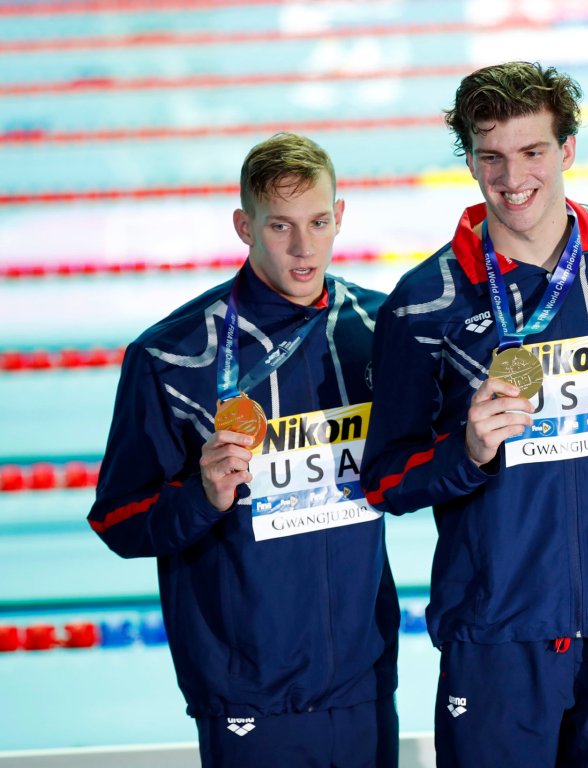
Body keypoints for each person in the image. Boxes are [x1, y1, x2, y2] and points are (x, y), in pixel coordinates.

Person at [361, 62, 588, 767]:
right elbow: (385, 479)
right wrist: (467, 451)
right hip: (497, 627)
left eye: (532, 151)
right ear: (471, 160)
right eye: (492, 156)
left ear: (566, 150)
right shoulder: (425, 304)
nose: (513, 178)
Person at [88, 133, 399, 767]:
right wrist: (201, 497)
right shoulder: (171, 359)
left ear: (341, 216)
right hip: (246, 691)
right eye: (279, 226)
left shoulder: (378, 331)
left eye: (317, 222)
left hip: (363, 683)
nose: (303, 247)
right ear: (244, 226)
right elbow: (117, 520)